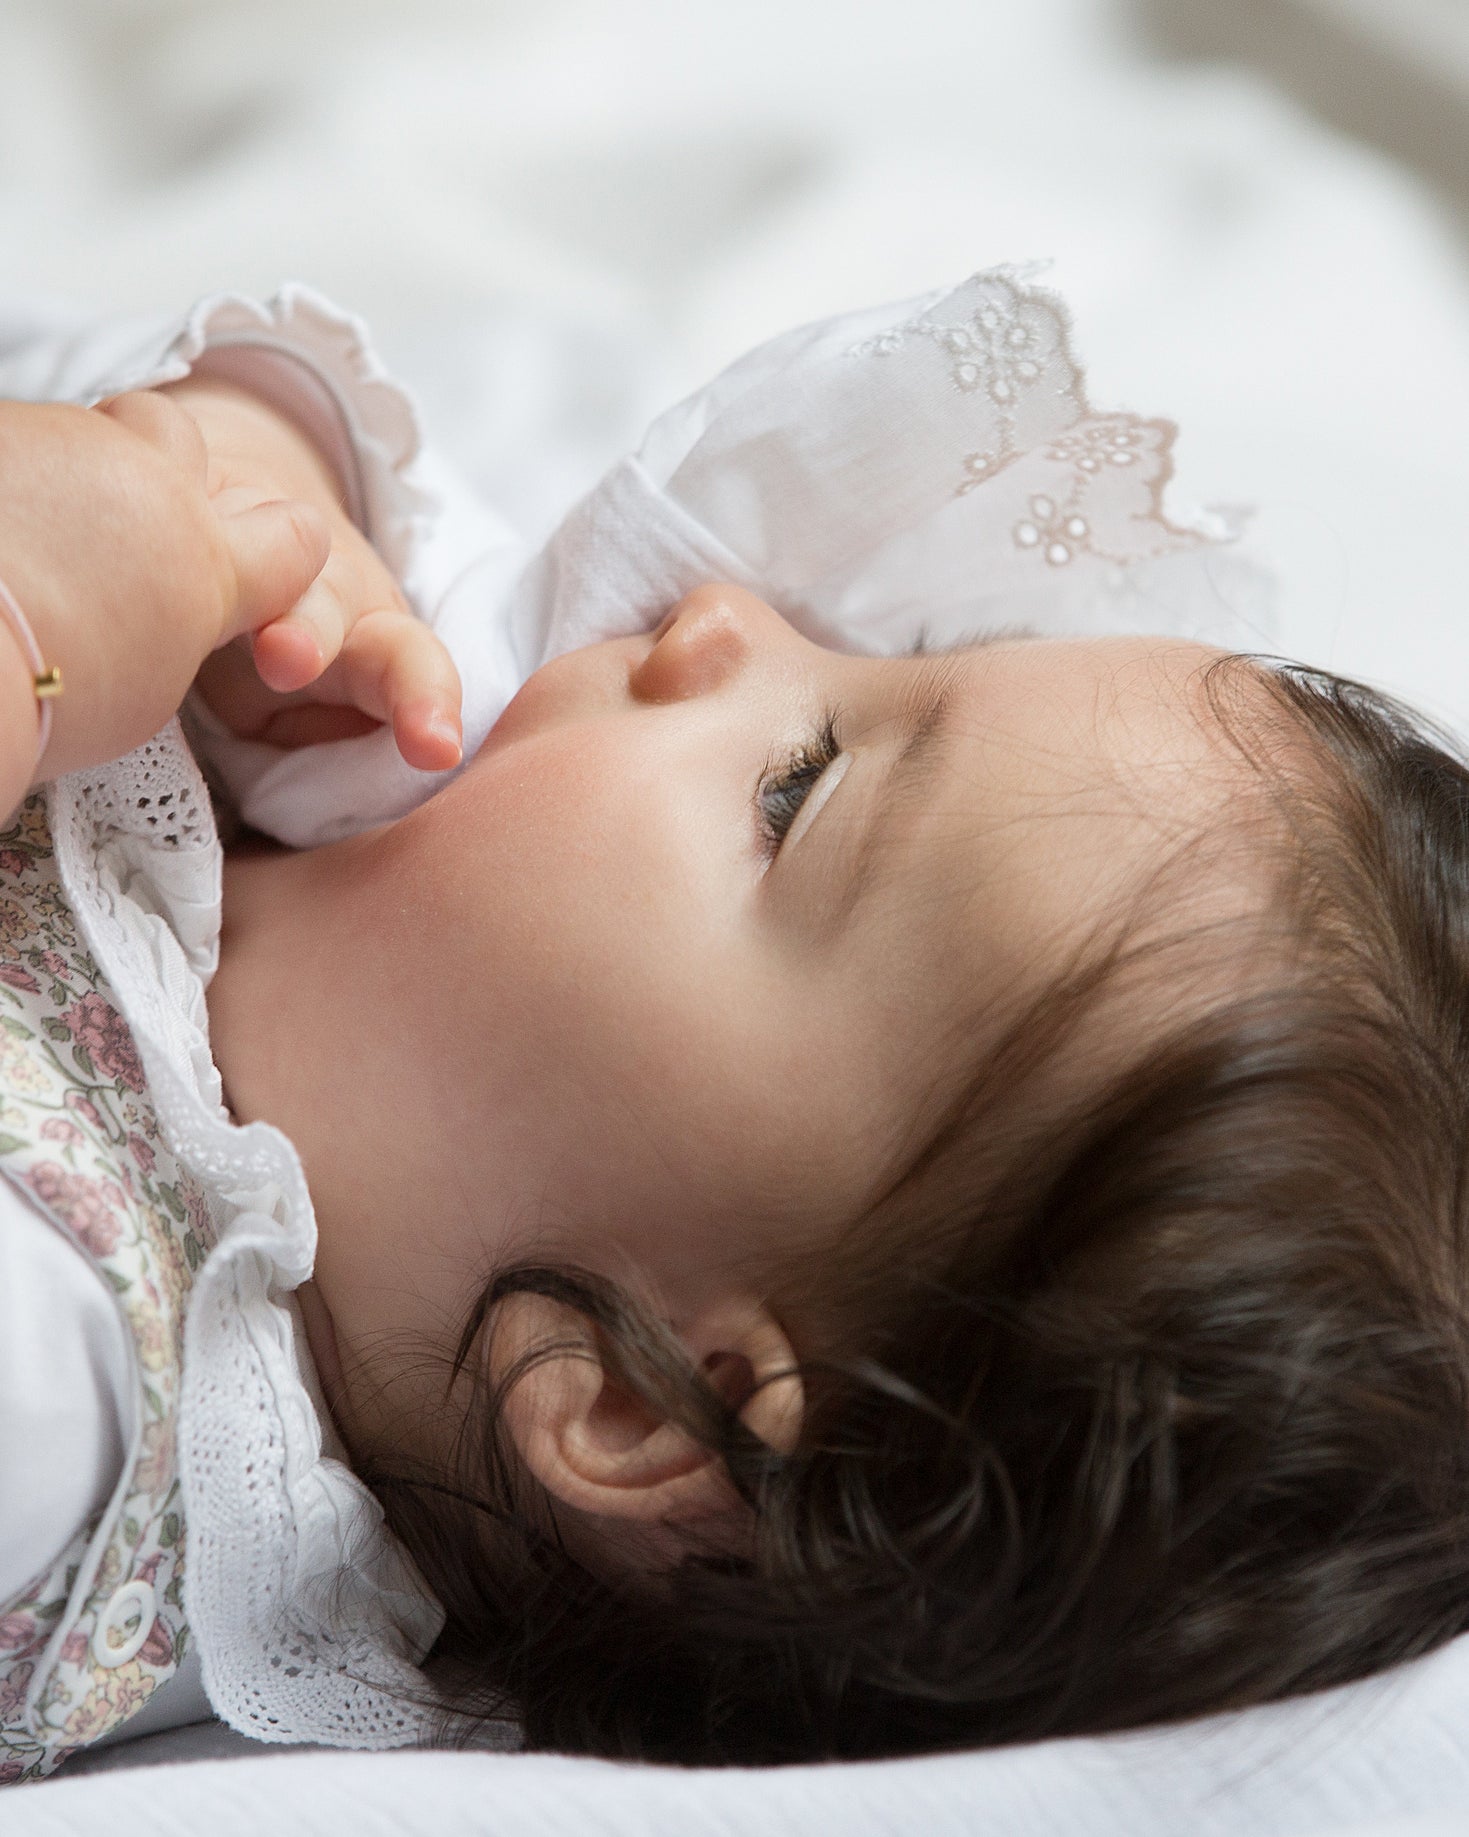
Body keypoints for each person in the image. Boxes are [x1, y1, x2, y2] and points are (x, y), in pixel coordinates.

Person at [3, 271, 1469, 1778]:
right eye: (884, 652)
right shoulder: (409, 754)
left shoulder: (66, 1374)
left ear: (636, 1396)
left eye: (796, 785)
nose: (723, 618)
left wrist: (31, 636)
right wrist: (240, 469)